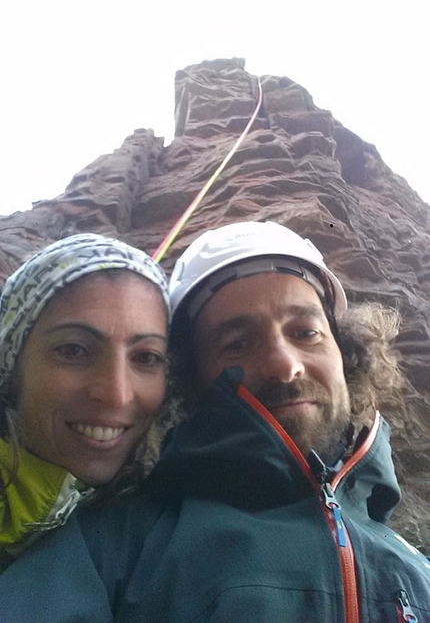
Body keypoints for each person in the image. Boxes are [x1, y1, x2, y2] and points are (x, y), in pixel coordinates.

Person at [1, 221, 430, 622]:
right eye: (238, 343)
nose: (285, 366)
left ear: (344, 350)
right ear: (189, 379)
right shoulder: (108, 547)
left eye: (305, 332)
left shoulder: (414, 562)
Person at [0, 232, 169, 571]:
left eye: (146, 357)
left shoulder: (163, 509)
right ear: (11, 364)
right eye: (73, 350)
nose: (117, 394)